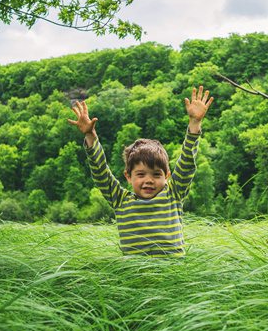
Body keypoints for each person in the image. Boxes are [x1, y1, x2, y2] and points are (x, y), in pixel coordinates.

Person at [68, 86, 213, 257]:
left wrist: (195, 123)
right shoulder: (120, 200)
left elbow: (187, 162)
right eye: (141, 174)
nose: (149, 180)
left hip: (174, 279)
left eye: (156, 174)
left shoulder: (173, 194)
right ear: (128, 177)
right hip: (135, 280)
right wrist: (90, 137)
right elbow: (100, 173)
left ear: (167, 176)